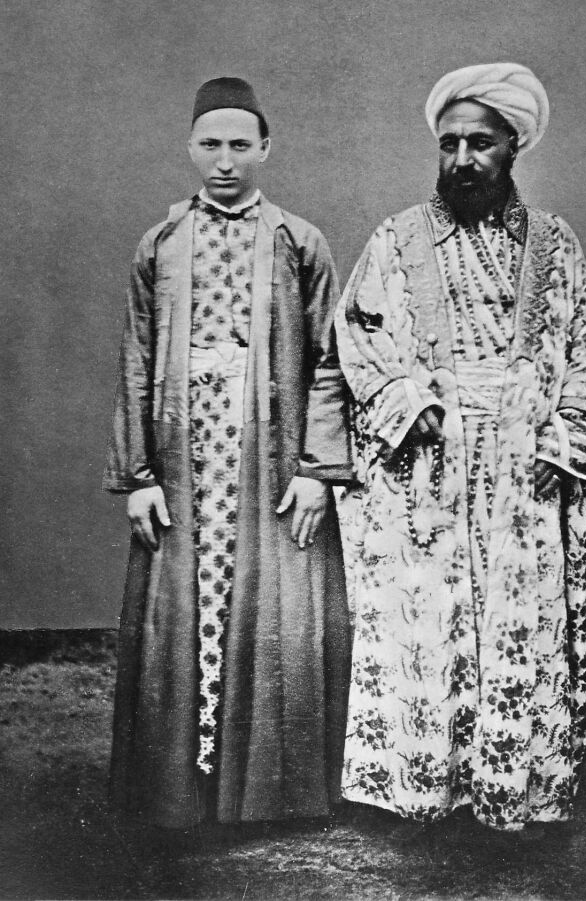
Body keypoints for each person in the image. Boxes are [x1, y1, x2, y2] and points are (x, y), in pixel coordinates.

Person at [335, 63, 586, 831]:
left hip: (525, 467)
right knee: (429, 626)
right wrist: (405, 399)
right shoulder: (396, 239)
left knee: (520, 622)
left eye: (480, 143)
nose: (462, 158)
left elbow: (585, 349)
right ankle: (427, 789)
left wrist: (560, 441)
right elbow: (358, 333)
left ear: (513, 146)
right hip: (430, 467)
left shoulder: (555, 244)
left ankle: (510, 785)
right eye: (449, 143)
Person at [103, 77, 352, 828]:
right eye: (210, 144)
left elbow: (331, 360)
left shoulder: (299, 242)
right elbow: (136, 358)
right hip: (183, 458)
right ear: (190, 147)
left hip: (271, 458)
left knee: (280, 610)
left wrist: (317, 469)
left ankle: (272, 794)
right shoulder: (160, 244)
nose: (224, 160)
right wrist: (139, 476)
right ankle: (176, 793)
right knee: (178, 609)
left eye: (240, 145)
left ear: (265, 149)